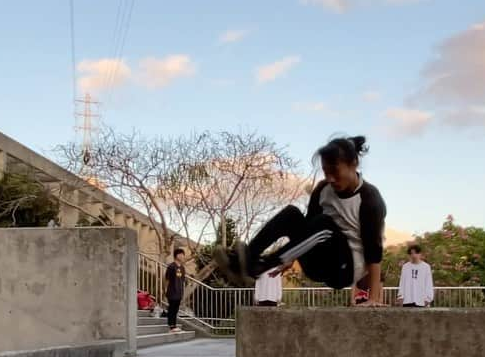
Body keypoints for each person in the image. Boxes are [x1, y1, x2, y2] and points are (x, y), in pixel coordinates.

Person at [216, 136, 387, 305]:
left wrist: (373, 297)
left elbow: (374, 252)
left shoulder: (369, 199)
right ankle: (246, 262)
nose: (330, 179)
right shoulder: (322, 190)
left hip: (345, 270)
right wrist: (289, 259)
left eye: (335, 172)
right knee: (292, 214)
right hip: (318, 260)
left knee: (324, 223)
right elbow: (307, 230)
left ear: (353, 164)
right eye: (326, 172)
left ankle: (262, 266)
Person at [165, 248, 186, 334]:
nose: (182, 256)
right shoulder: (171, 266)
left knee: (176, 309)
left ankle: (174, 325)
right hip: (172, 291)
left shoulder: (182, 268)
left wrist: (182, 292)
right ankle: (171, 326)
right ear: (176, 255)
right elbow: (167, 279)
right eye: (181, 254)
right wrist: (165, 289)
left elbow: (183, 280)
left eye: (183, 254)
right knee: (172, 309)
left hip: (179, 292)